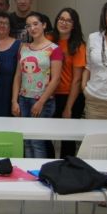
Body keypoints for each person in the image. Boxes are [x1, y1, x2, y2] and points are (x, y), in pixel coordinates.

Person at [12, 12, 63, 158]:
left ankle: (39, 170)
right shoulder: (23, 48)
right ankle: (30, 171)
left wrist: (41, 102)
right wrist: (14, 100)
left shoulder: (54, 49)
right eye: (28, 26)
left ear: (44, 25)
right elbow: (18, 76)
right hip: (24, 99)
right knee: (26, 140)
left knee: (37, 141)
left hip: (43, 101)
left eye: (35, 24)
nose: (32, 28)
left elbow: (56, 79)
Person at [49, 8, 86, 158]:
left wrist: (68, 108)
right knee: (45, 135)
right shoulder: (49, 39)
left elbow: (77, 80)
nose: (64, 23)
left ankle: (67, 166)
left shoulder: (78, 46)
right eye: (61, 19)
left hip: (71, 96)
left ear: (74, 25)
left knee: (68, 139)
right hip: (50, 95)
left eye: (69, 21)